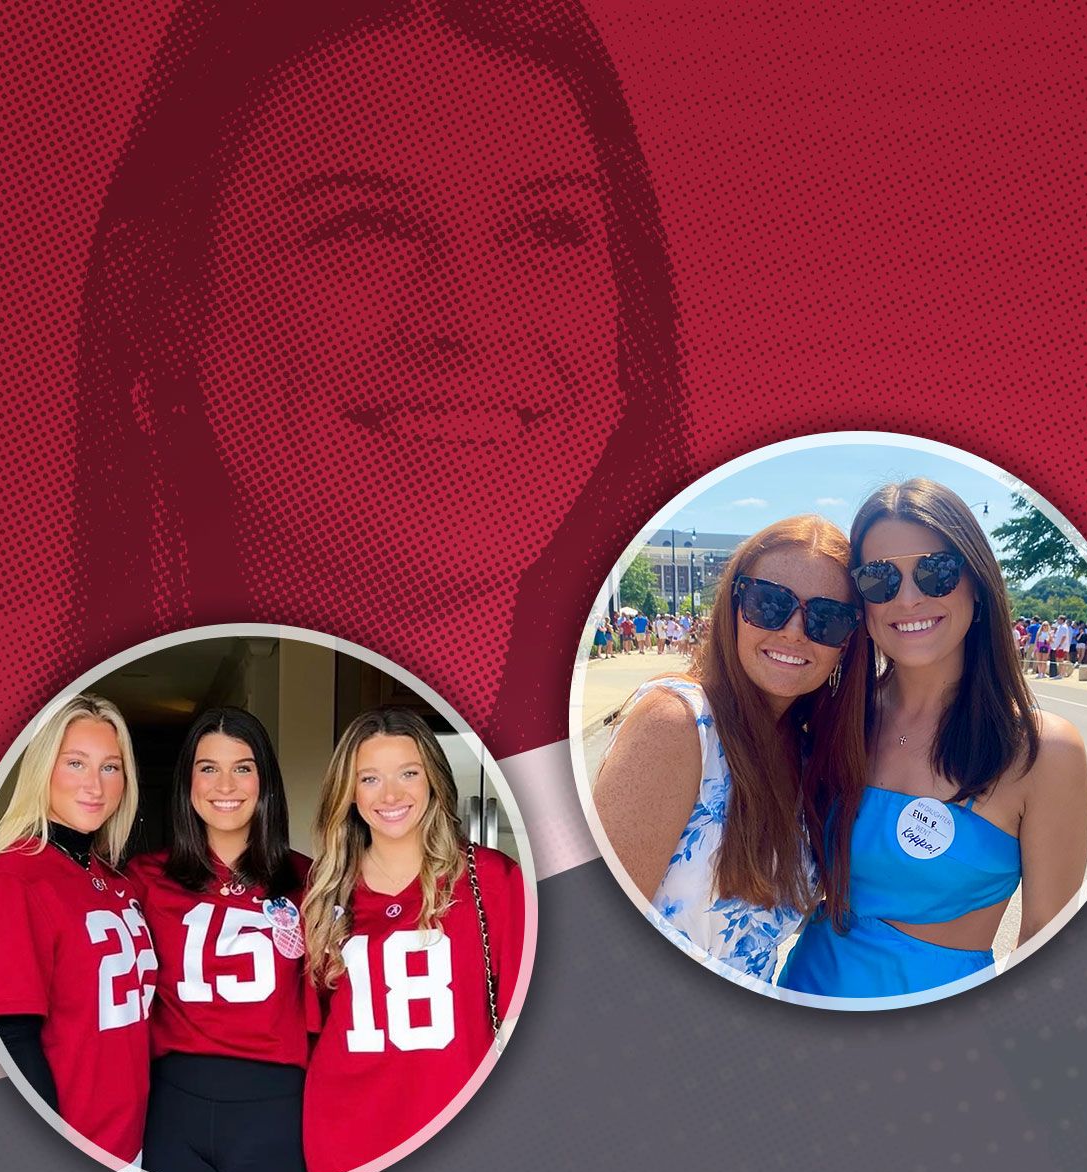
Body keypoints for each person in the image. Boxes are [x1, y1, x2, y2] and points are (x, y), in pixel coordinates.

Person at [71, 0, 688, 729]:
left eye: (548, 228)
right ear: (164, 307)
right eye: (364, 227)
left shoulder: (706, 770)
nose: (474, 320)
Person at [781, 480, 1087, 1000]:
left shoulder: (1042, 752)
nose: (908, 597)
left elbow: (1047, 944)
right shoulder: (837, 720)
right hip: (803, 993)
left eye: (936, 570)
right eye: (879, 579)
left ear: (976, 582)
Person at [593, 517, 868, 979]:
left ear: (848, 642)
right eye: (769, 603)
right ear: (735, 605)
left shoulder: (807, 756)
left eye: (827, 618)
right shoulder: (679, 724)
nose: (795, 631)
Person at [299, 707, 525, 1172]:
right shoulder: (325, 890)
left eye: (408, 773)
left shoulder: (492, 881)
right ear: (349, 792)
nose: (392, 794)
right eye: (370, 778)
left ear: (433, 780)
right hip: (347, 1139)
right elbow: (316, 1026)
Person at [0, 696, 157, 1163]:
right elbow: (9, 1037)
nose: (95, 785)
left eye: (111, 768)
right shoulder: (15, 877)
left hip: (132, 1139)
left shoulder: (116, 879)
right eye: (76, 763)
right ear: (43, 771)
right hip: (77, 1146)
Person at [130, 707, 313, 1172]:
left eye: (243, 768)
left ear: (265, 781)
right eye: (208, 768)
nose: (225, 786)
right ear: (188, 783)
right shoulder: (143, 879)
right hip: (173, 1108)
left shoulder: (311, 881)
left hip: (277, 1110)